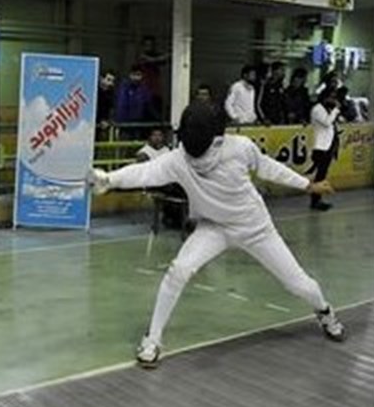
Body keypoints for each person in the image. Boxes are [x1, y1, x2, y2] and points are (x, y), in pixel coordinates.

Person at [87, 104, 345, 368]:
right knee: (179, 271)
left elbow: (267, 167)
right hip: (213, 227)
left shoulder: (239, 148)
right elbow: (144, 172)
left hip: (255, 228)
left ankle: (324, 311)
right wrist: (108, 179)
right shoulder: (179, 159)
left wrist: (307, 184)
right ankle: (153, 338)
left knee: (298, 284)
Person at [309, 88, 341, 211]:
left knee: (322, 175)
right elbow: (327, 122)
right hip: (320, 146)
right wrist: (336, 110)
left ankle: (318, 199)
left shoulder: (327, 109)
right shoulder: (318, 109)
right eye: (331, 97)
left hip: (327, 146)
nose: (333, 100)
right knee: (319, 175)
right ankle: (315, 200)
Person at [115, 65, 155, 140]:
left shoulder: (144, 89)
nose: (137, 77)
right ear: (130, 75)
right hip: (125, 126)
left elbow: (148, 107)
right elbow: (121, 107)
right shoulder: (124, 88)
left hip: (139, 126)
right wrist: (120, 124)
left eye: (139, 75)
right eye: (135, 75)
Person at [95, 69, 116, 142]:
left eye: (112, 81)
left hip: (101, 128)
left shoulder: (111, 94)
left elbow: (110, 110)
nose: (110, 83)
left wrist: (107, 120)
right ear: (101, 79)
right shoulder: (93, 91)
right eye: (108, 80)